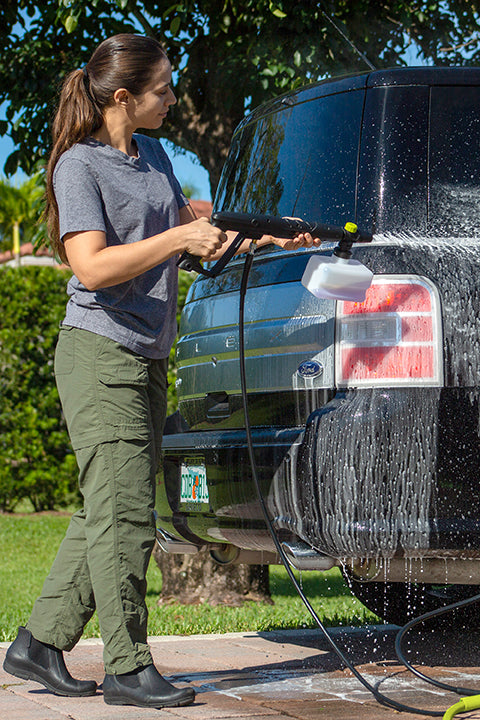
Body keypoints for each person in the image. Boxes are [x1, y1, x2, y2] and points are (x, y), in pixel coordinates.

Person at [2, 34, 319, 709]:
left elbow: (189, 229)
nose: (174, 98)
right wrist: (178, 239)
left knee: (105, 510)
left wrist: (268, 235)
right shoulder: (77, 167)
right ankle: (126, 666)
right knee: (127, 519)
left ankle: (37, 645)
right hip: (97, 351)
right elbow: (90, 265)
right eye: (163, 89)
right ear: (123, 96)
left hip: (144, 353)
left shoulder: (153, 157)